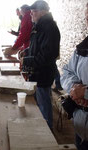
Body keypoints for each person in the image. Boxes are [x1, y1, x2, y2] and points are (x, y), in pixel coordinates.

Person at [20, 0, 60, 129]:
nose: (31, 15)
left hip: (43, 73)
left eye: (34, 12)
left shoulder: (49, 27)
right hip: (37, 72)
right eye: (31, 12)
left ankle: (47, 132)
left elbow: (47, 55)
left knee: (43, 103)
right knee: (39, 102)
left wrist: (27, 60)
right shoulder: (40, 26)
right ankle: (41, 128)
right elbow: (37, 47)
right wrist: (26, 51)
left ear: (43, 12)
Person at [61, 3, 88, 150]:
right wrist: (74, 87)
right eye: (87, 18)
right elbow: (67, 72)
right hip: (81, 126)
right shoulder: (83, 47)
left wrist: (85, 93)